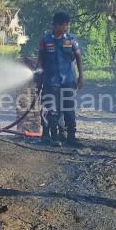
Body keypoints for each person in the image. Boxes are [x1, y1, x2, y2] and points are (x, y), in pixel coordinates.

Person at [38, 12, 84, 147]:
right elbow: (40, 60)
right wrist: (38, 73)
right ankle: (54, 137)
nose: (65, 27)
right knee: (51, 109)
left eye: (66, 25)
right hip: (50, 82)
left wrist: (81, 77)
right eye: (63, 25)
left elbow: (79, 58)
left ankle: (71, 137)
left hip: (68, 81)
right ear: (54, 25)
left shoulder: (71, 40)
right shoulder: (45, 41)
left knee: (69, 109)